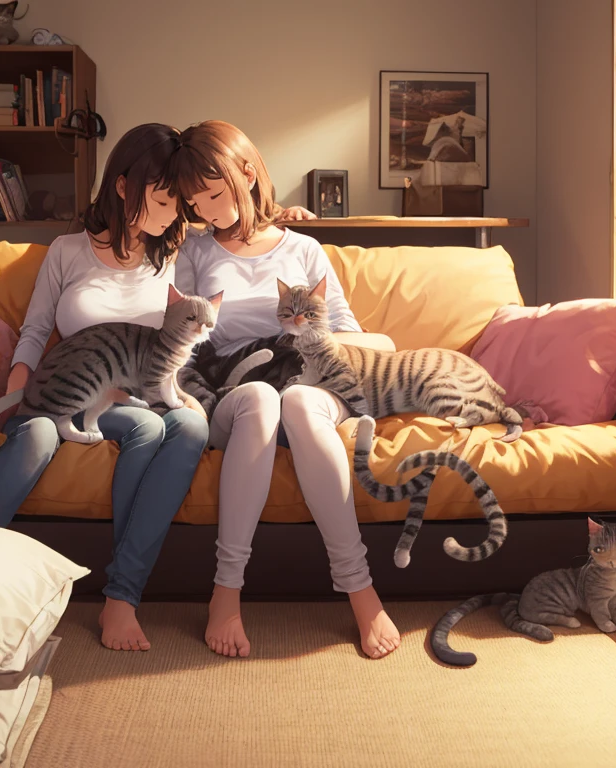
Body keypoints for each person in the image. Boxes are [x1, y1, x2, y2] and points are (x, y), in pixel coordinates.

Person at [0, 123, 209, 652]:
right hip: (73, 387)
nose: (174, 216)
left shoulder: (171, 256)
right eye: (164, 201)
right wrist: (16, 394)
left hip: (135, 397)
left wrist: (281, 212)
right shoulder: (67, 251)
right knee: (37, 437)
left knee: (186, 423)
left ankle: (121, 597)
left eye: (178, 205)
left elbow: (233, 232)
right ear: (124, 187)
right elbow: (34, 330)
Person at [171, 121, 401, 660]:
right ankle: (226, 592)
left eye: (214, 193)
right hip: (238, 387)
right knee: (264, 398)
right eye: (194, 200)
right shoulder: (196, 253)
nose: (205, 210)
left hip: (310, 379)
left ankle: (361, 590)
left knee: (295, 398)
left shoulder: (303, 247)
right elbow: (181, 334)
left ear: (247, 174)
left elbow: (345, 328)